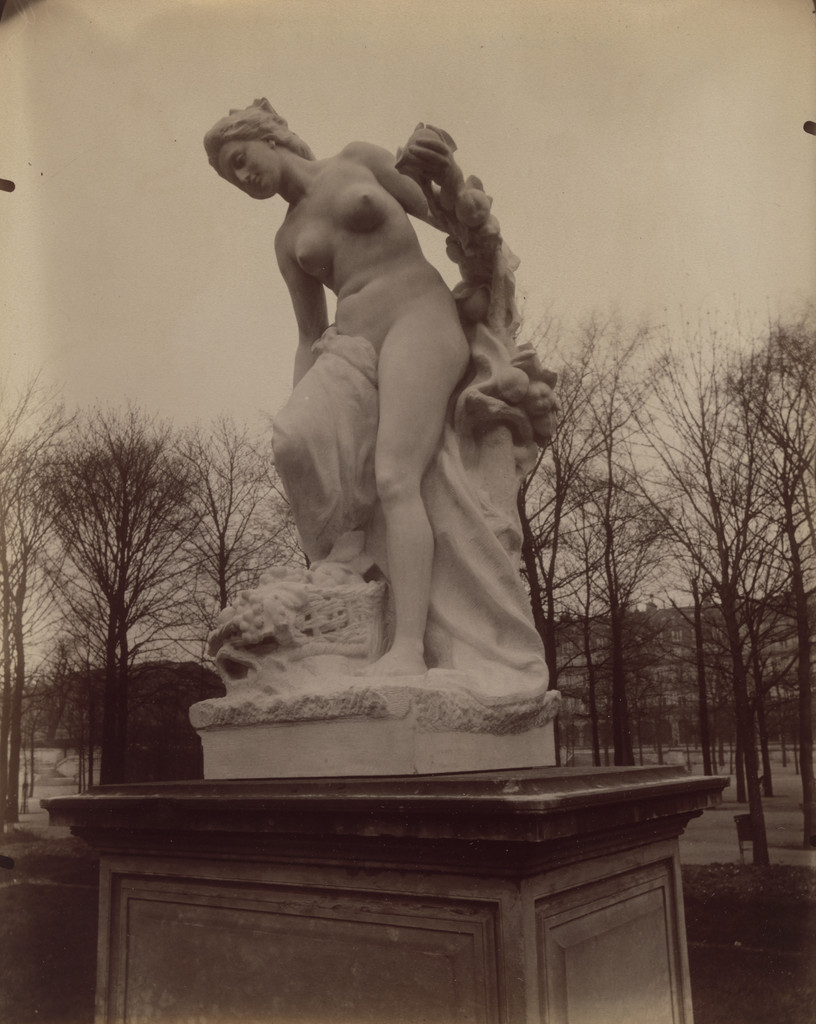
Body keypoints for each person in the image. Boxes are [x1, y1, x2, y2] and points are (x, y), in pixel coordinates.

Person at [204, 100, 470, 677]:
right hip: (353, 345)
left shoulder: (356, 160)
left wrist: (444, 171)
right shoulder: (286, 240)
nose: (244, 177)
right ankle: (343, 582)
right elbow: (308, 333)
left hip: (418, 317)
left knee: (396, 477)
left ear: (268, 138)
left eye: (241, 160)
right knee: (292, 440)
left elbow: (442, 216)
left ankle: (409, 649)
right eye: (232, 176)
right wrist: (301, 405)